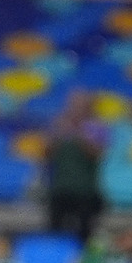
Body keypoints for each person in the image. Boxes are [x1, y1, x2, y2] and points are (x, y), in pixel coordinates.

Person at [42, 93, 102, 245]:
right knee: (55, 230)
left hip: (85, 190)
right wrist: (58, 134)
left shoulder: (95, 127)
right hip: (61, 188)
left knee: (85, 232)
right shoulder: (60, 126)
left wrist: (79, 133)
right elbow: (47, 154)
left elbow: (95, 155)